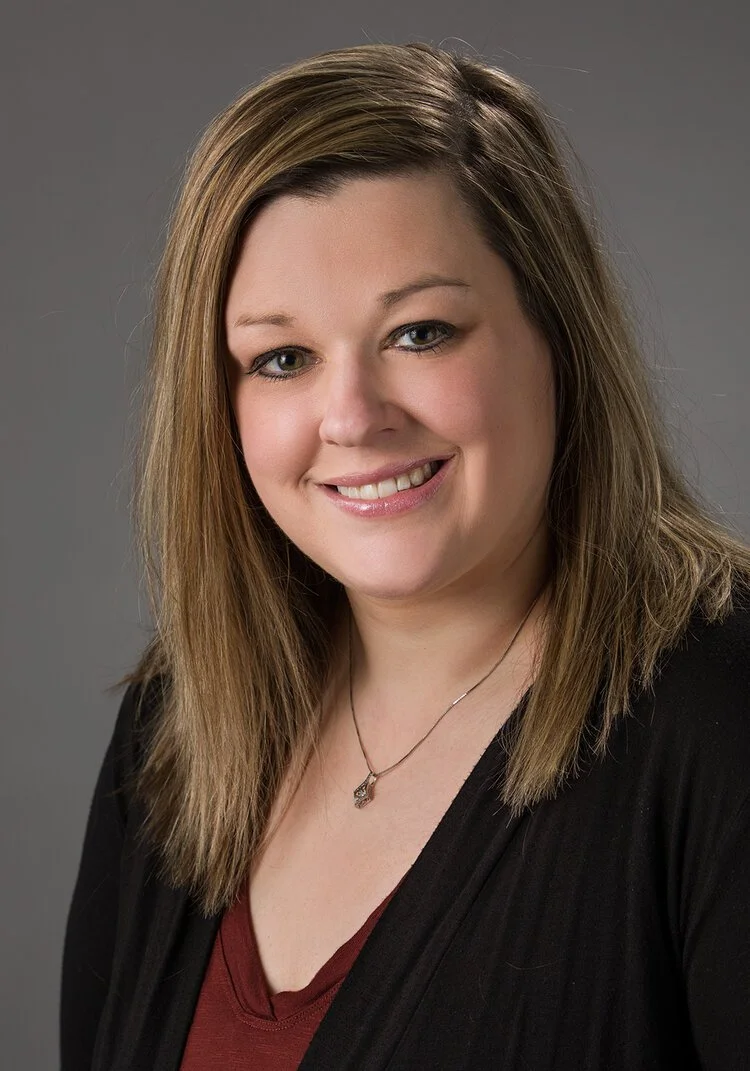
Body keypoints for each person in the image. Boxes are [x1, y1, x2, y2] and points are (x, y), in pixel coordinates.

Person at [60, 41, 750, 1071]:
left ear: (555, 335)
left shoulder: (724, 717)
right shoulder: (176, 732)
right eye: (282, 359)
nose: (352, 417)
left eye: (421, 333)